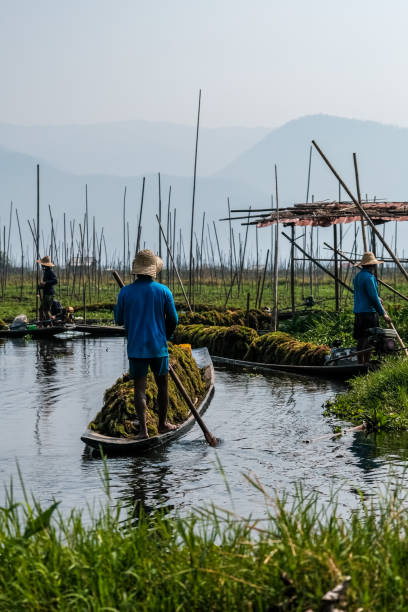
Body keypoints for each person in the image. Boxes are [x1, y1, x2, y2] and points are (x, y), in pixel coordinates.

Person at [114, 249, 179, 439]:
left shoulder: (125, 293)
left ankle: (143, 431)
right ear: (153, 270)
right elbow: (173, 319)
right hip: (159, 347)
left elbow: (118, 320)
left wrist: (120, 309)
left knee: (140, 388)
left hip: (137, 348)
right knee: (163, 386)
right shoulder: (163, 291)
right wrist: (164, 334)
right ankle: (163, 424)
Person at [353, 251, 390, 364]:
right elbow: (373, 298)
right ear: (372, 265)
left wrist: (377, 298)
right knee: (369, 339)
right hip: (369, 313)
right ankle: (366, 364)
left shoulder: (357, 277)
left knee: (361, 339)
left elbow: (366, 294)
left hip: (359, 312)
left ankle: (360, 363)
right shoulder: (369, 278)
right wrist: (383, 314)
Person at [37, 255, 58, 321]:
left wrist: (46, 283)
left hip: (49, 294)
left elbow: (55, 281)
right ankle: (41, 323)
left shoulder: (50, 271)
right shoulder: (46, 272)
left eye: (43, 264)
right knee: (41, 309)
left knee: (46, 310)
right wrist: (41, 286)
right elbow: (46, 284)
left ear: (46, 265)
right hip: (46, 293)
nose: (42, 266)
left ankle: (49, 324)